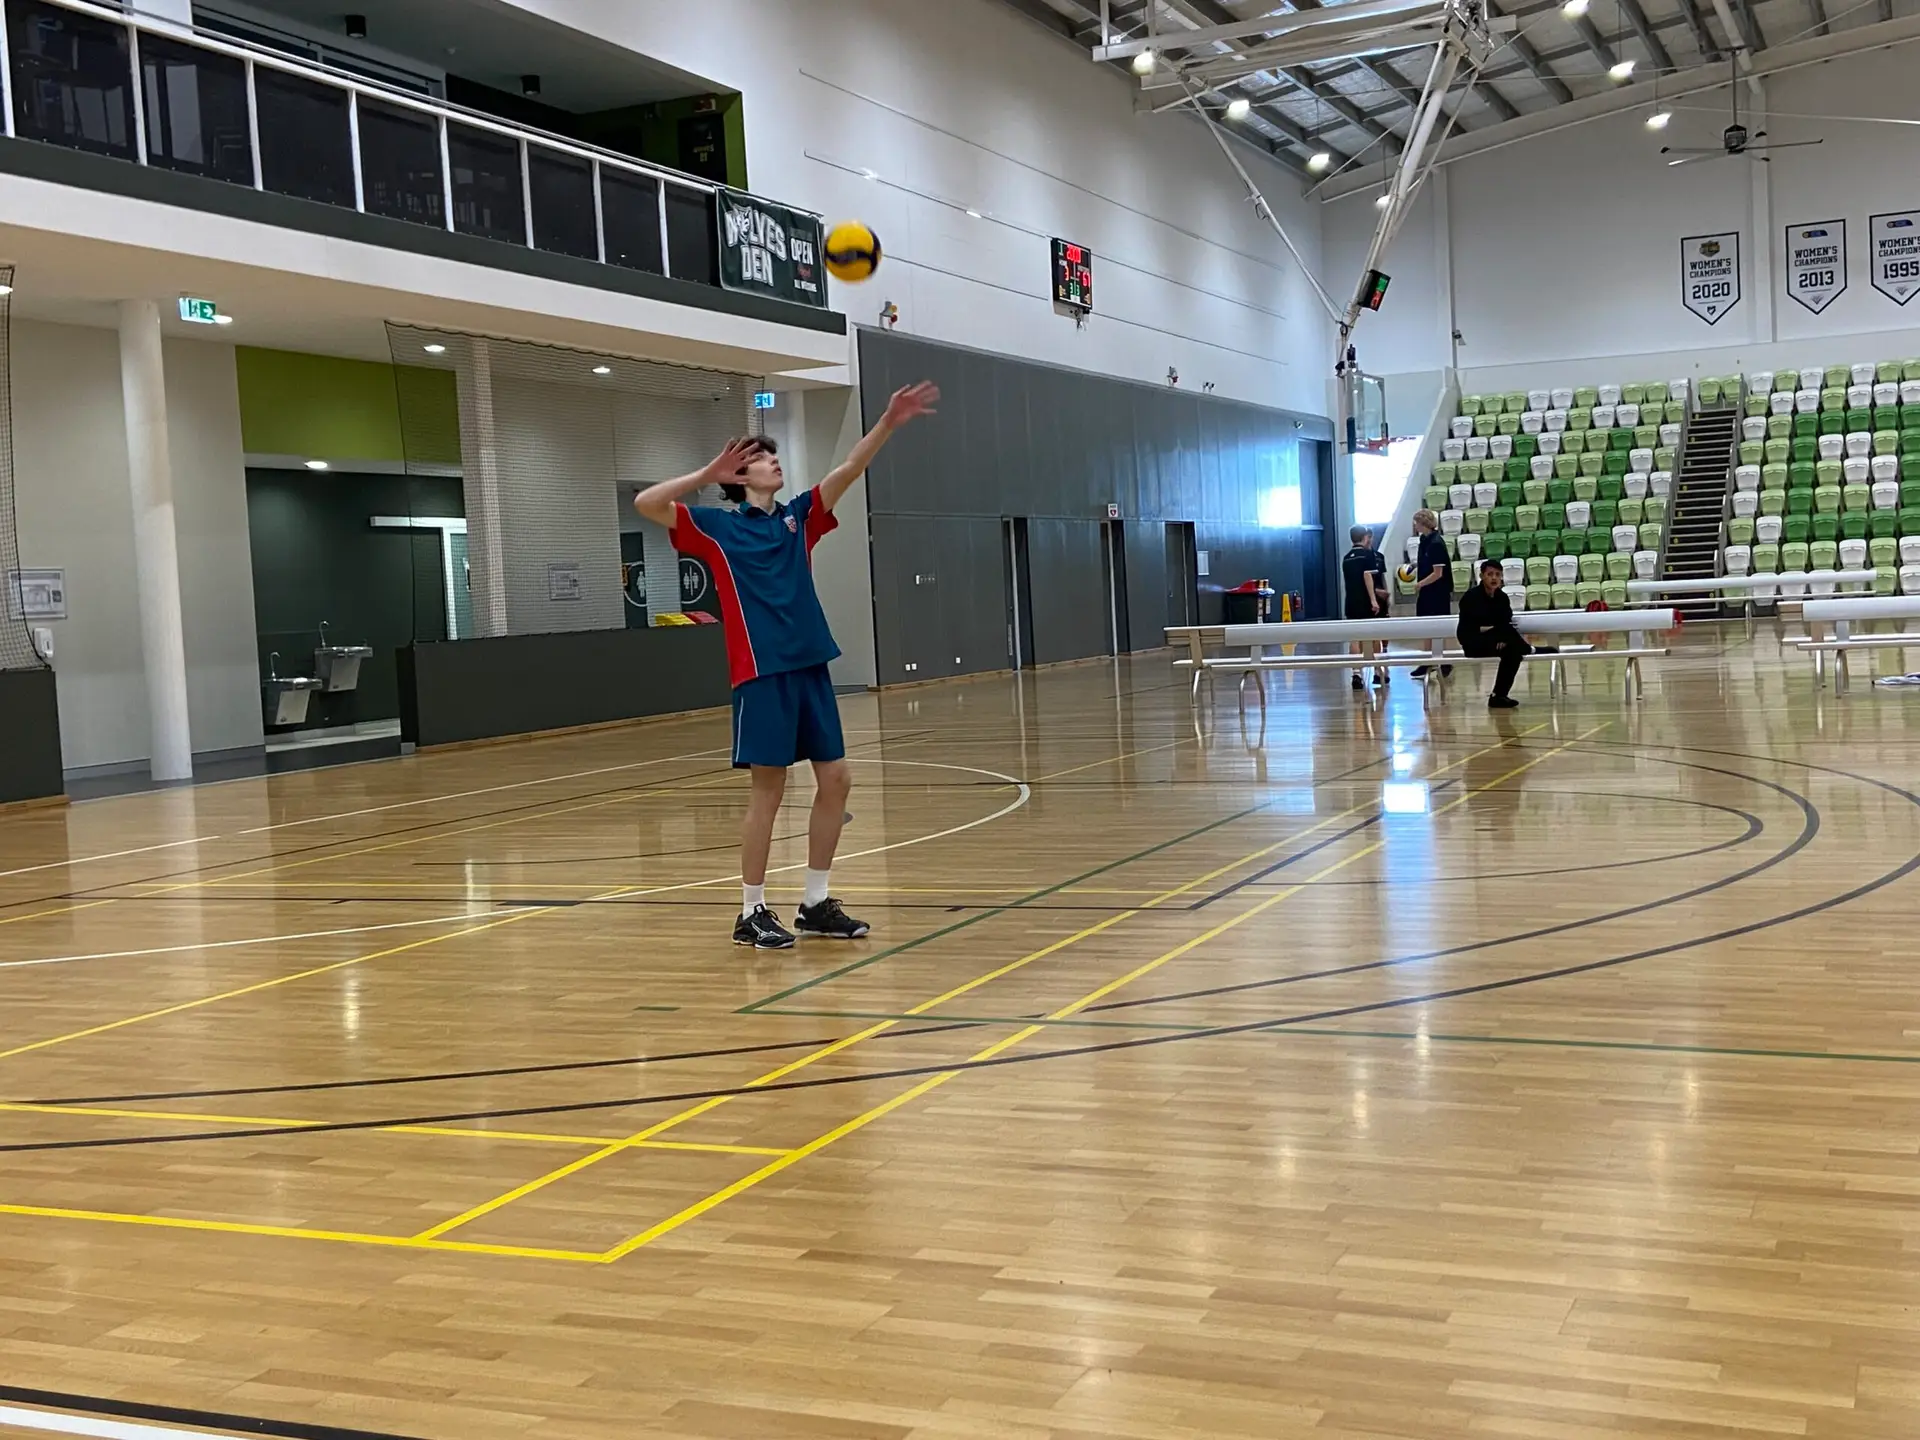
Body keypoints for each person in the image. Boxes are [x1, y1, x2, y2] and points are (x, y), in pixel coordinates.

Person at [633, 382, 941, 948]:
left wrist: (888, 422)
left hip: (809, 664)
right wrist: (706, 474)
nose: (775, 463)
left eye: (774, 456)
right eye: (762, 458)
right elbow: (646, 504)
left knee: (837, 779)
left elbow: (850, 468)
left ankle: (815, 903)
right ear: (740, 476)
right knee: (769, 791)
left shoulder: (798, 517)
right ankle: (750, 912)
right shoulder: (717, 528)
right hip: (761, 672)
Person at [1457, 557, 1532, 708]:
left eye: (1498, 575)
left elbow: (1504, 620)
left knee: (1513, 653)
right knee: (1507, 632)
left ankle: (1498, 696)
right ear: (1481, 576)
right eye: (1490, 574)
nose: (1494, 578)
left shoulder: (1502, 597)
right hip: (1472, 643)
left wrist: (1499, 634)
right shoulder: (1471, 597)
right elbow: (1476, 624)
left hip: (1494, 639)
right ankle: (1530, 649)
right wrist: (1497, 630)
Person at [1340, 524, 1388, 690]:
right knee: (1375, 636)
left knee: (1354, 638)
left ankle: (1356, 673)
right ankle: (1377, 671)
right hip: (1365, 601)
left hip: (1351, 602)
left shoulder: (1347, 557)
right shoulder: (1368, 555)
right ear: (1365, 538)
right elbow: (1367, 576)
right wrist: (1373, 600)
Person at [1406, 508, 1453, 680]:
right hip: (1428, 592)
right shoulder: (1424, 541)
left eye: (1416, 522)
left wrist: (1420, 584)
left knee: (1437, 627)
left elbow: (1438, 573)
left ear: (1423, 523)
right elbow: (1428, 562)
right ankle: (1428, 661)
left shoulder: (1436, 543)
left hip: (1437, 592)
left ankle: (1443, 662)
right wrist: (1415, 566)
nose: (1415, 526)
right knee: (1425, 626)